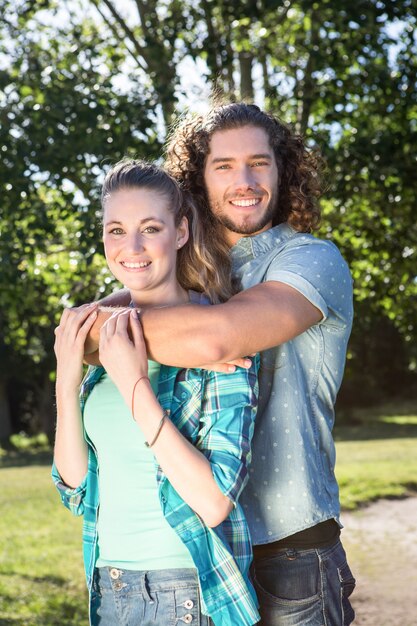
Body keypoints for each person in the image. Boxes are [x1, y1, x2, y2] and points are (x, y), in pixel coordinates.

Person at [84, 103, 356, 625]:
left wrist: (97, 335)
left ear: (283, 171)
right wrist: (90, 333)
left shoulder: (310, 260)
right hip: (200, 555)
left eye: (259, 162)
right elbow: (82, 330)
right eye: (224, 166)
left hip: (288, 552)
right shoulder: (183, 267)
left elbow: (215, 340)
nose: (245, 181)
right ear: (197, 180)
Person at [52, 159, 261, 626]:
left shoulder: (218, 343)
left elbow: (214, 502)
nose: (133, 247)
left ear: (181, 231)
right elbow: (75, 491)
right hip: (108, 586)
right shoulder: (99, 339)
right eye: (116, 230)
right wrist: (67, 381)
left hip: (183, 592)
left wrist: (135, 385)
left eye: (150, 228)